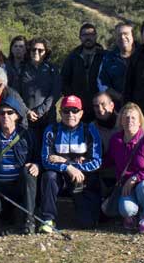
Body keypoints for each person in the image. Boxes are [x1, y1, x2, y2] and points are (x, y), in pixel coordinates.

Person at [38, 95, 102, 232]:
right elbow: (45, 160)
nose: (70, 114)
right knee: (48, 176)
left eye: (74, 110)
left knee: (87, 223)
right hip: (59, 176)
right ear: (60, 113)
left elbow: (96, 162)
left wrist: (67, 163)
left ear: (81, 113)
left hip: (81, 177)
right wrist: (67, 167)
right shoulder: (51, 130)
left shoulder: (89, 130)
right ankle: (48, 218)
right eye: (66, 111)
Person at [0, 96, 39, 234]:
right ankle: (8, 214)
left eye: (10, 113)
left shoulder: (27, 136)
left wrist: (37, 165)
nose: (6, 116)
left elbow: (38, 158)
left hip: (20, 186)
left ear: (17, 115)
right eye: (2, 113)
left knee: (29, 172)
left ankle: (29, 221)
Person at [101, 103, 144, 234]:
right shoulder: (116, 140)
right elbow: (107, 161)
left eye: (133, 118)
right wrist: (86, 161)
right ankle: (132, 217)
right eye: (126, 117)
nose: (129, 121)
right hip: (126, 187)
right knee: (126, 209)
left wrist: (136, 178)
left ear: (140, 121)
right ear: (121, 121)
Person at [10, 37, 61, 134]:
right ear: (29, 51)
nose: (36, 52)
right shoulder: (22, 69)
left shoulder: (52, 69)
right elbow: (15, 93)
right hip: (26, 118)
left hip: (48, 117)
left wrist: (40, 111)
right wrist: (26, 111)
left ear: (46, 52)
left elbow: (56, 92)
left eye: (40, 50)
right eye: (33, 49)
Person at [61, 23, 106, 123]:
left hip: (100, 106)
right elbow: (64, 80)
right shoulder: (72, 57)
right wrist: (72, 98)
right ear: (80, 37)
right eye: (85, 35)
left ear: (95, 36)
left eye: (91, 34)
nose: (88, 37)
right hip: (78, 107)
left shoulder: (105, 56)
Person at [90, 91, 119, 200]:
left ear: (112, 105)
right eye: (96, 106)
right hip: (101, 172)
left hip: (123, 172)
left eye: (103, 104)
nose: (100, 109)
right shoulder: (91, 128)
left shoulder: (125, 122)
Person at [97, 22, 135, 102]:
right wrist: (121, 97)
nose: (122, 37)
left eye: (126, 34)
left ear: (133, 36)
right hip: (118, 108)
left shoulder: (143, 55)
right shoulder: (108, 59)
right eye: (119, 35)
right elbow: (102, 84)